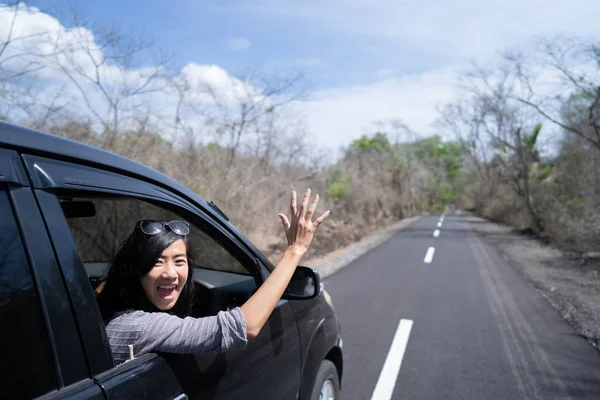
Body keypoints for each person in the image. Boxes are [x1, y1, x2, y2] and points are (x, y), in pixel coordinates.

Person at [96, 189, 329, 364]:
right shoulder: (137, 326)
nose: (170, 273)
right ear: (136, 270)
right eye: (157, 262)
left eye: (179, 261)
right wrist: (294, 251)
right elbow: (245, 326)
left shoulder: (106, 305)